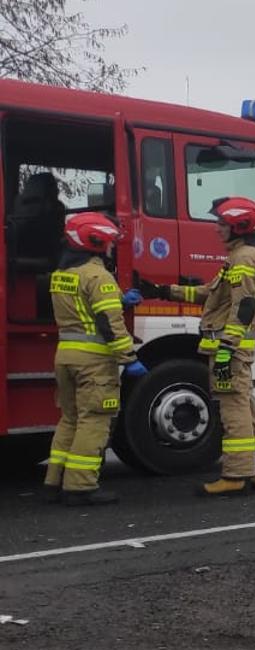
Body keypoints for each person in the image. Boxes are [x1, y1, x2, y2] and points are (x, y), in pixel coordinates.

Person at [138, 197, 255, 496]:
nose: (217, 229)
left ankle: (236, 476)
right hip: (234, 349)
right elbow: (209, 294)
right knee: (245, 407)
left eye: (222, 224)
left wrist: (225, 349)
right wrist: (163, 291)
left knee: (232, 409)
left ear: (238, 226)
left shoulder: (242, 260)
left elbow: (244, 306)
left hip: (228, 349)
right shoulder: (244, 256)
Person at [43, 213, 146, 506]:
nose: (113, 247)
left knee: (70, 420)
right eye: (110, 242)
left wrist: (119, 297)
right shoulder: (98, 276)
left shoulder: (61, 274)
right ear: (97, 241)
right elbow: (108, 323)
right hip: (94, 363)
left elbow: (82, 307)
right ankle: (81, 486)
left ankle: (54, 481)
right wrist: (129, 359)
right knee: (95, 422)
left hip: (66, 357)